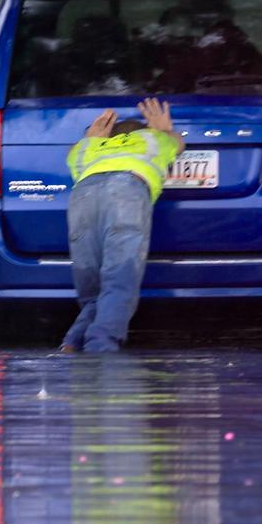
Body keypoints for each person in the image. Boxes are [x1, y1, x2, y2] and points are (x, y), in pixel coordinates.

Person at [60, 97, 183, 353]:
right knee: (119, 278)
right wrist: (163, 128)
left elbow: (74, 150)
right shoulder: (152, 140)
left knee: (92, 284)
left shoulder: (85, 150)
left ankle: (73, 341)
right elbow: (178, 143)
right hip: (126, 191)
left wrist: (92, 137)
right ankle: (101, 345)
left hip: (83, 196)